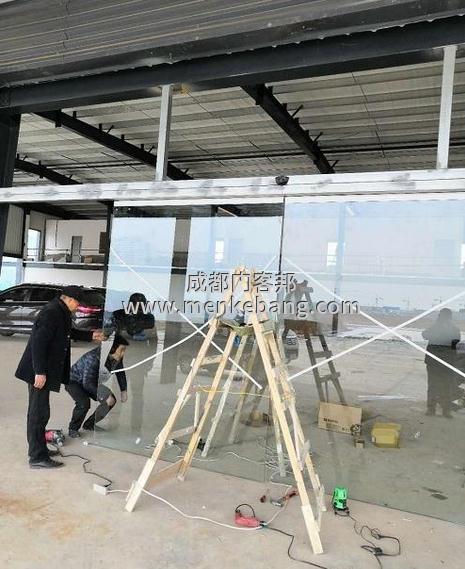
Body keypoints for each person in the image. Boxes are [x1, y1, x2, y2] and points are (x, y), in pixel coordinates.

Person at [15, 286, 103, 469]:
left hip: (44, 371)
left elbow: (67, 332)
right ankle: (37, 457)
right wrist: (39, 371)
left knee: (41, 412)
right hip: (38, 372)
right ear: (69, 299)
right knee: (38, 414)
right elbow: (38, 343)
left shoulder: (61, 311)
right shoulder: (51, 312)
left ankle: (40, 449)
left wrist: (90, 335)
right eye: (77, 303)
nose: (78, 307)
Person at [65, 335, 129, 437]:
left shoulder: (116, 357)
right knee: (84, 403)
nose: (123, 353)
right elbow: (87, 383)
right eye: (121, 350)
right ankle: (73, 428)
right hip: (74, 381)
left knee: (111, 401)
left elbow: (120, 372)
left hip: (91, 381)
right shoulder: (94, 358)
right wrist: (103, 395)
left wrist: (123, 390)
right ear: (112, 349)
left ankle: (89, 424)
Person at [422, 308, 461, 418]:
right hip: (446, 362)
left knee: (434, 385)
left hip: (435, 362)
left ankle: (432, 409)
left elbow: (425, 335)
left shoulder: (437, 327)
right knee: (446, 386)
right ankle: (445, 411)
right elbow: (455, 344)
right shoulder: (454, 329)